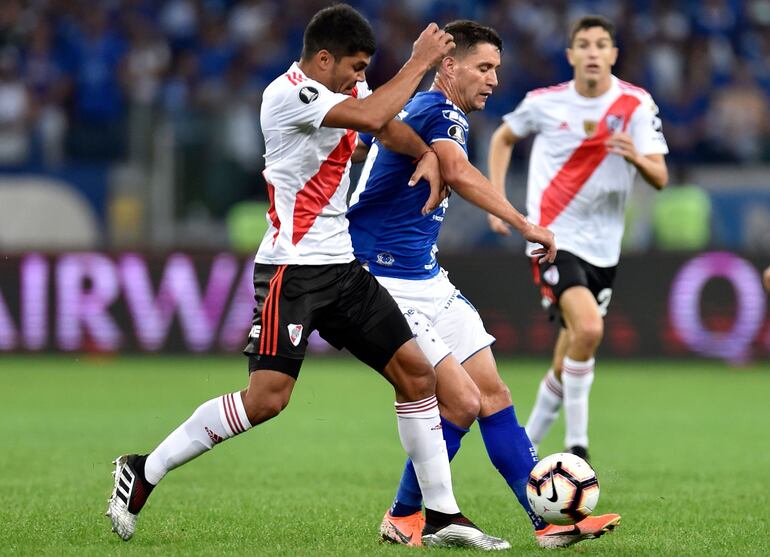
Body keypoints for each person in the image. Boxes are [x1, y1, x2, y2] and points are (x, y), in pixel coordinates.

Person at [106, 5, 508, 550]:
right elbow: (370, 119)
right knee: (267, 399)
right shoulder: (289, 95)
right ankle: (143, 469)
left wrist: (428, 157)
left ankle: (440, 516)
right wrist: (416, 63)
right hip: (291, 273)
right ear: (323, 59)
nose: (359, 77)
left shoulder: (345, 90)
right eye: (355, 67)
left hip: (342, 268)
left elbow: (387, 126)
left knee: (418, 376)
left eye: (366, 68)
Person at [347, 20, 618, 550]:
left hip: (426, 277)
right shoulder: (436, 110)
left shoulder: (428, 113)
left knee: (493, 395)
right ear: (449, 66)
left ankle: (548, 523)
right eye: (484, 67)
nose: (493, 79)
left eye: (498, 69)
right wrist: (526, 224)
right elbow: (459, 171)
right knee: (463, 402)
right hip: (382, 281)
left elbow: (372, 143)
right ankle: (409, 516)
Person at [487, 15, 669, 463]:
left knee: (572, 346)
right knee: (589, 328)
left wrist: (636, 157)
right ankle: (578, 447)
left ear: (613, 54)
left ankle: (526, 441)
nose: (592, 52)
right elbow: (502, 137)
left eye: (601, 44)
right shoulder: (544, 103)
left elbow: (661, 175)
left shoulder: (636, 105)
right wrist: (496, 199)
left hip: (605, 247)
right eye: (583, 44)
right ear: (570, 55)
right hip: (552, 236)